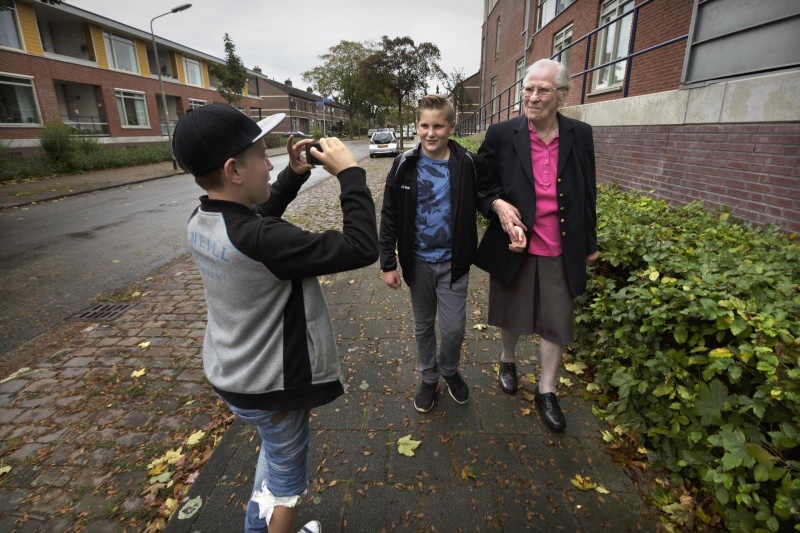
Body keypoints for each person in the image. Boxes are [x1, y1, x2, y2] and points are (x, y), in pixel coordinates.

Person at [172, 103, 379, 533]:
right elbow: (362, 246)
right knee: (287, 481)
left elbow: (257, 219)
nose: (271, 164)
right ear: (233, 170)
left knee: (273, 453)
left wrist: (295, 174)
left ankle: (256, 526)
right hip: (272, 387)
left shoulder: (202, 220)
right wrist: (349, 174)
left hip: (233, 375)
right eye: (263, 158)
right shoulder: (266, 241)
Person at [474, 59, 599, 432]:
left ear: (562, 94)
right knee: (512, 312)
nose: (533, 96)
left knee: (556, 321)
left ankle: (546, 389)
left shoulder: (580, 133)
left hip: (561, 246)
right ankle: (508, 359)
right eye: (528, 89)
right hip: (516, 243)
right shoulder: (501, 134)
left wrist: (589, 241)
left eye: (543, 90)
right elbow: (481, 183)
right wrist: (497, 205)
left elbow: (588, 191)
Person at [379, 94, 502, 413]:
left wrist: (501, 208)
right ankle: (429, 377)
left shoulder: (469, 163)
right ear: (417, 126)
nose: (430, 133)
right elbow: (389, 214)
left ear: (450, 127)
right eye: (424, 125)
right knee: (422, 326)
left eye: (438, 126)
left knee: (453, 329)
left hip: (454, 264)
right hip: (417, 265)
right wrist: (388, 262)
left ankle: (449, 370)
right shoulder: (404, 164)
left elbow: (489, 192)